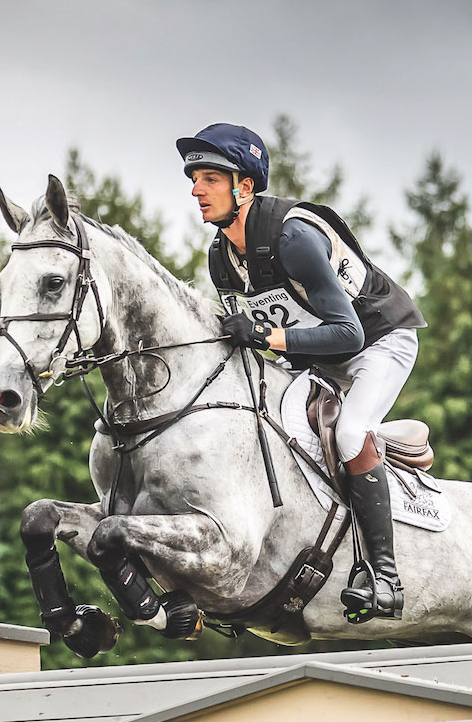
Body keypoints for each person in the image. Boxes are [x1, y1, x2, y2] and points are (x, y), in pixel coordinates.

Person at [178, 122, 426, 623]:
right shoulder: (222, 258)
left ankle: (385, 577)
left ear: (243, 186)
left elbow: (348, 335)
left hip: (378, 339)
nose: (196, 189)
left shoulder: (293, 237)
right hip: (319, 354)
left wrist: (265, 338)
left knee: (353, 431)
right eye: (193, 178)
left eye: (209, 178)